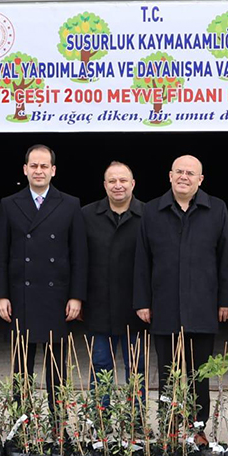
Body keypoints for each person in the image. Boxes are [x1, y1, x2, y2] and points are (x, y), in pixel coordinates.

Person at [134, 155, 228, 445]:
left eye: (190, 173)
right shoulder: (152, 210)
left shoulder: (216, 208)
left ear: (200, 180)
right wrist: (142, 301)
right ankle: (168, 425)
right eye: (179, 171)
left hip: (203, 305)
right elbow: (142, 259)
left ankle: (197, 428)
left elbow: (225, 257)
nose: (184, 177)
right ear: (170, 175)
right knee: (167, 373)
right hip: (163, 305)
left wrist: (226, 300)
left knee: (199, 373)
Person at [0, 144, 87, 413]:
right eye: (34, 165)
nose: (39, 170)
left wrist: (76, 296)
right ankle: (22, 424)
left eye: (44, 166)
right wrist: (1, 295)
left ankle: (58, 425)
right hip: (21, 296)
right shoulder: (9, 204)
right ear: (25, 169)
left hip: (57, 297)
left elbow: (79, 255)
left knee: (57, 369)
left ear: (53, 170)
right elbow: (0, 254)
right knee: (22, 367)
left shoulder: (70, 204)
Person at [82, 161, 146, 390]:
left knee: (137, 367)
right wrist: (78, 298)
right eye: (112, 181)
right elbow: (79, 260)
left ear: (133, 184)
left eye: (123, 180)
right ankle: (101, 412)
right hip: (99, 307)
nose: (118, 185)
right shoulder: (86, 215)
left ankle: (136, 412)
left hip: (136, 308)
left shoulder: (148, 215)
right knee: (100, 366)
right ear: (104, 185)